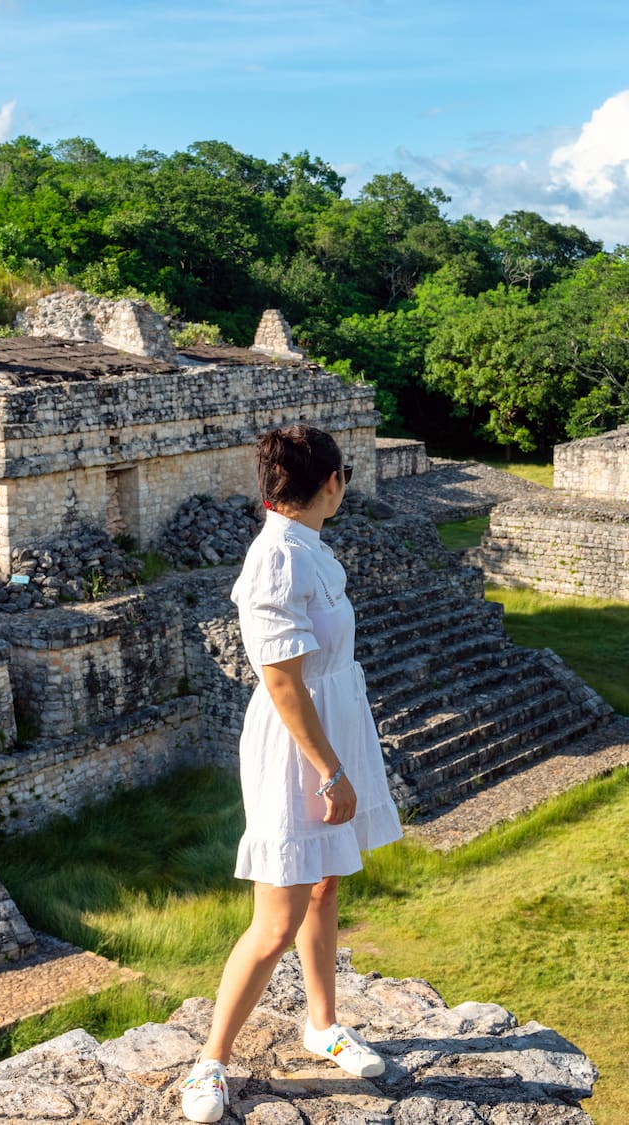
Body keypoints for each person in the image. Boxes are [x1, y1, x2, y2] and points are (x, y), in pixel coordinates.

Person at [181, 424, 403, 1123]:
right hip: (297, 744)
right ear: (331, 483)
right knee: (276, 916)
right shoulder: (277, 558)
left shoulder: (309, 548)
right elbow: (281, 683)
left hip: (331, 724)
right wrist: (331, 770)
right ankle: (210, 1059)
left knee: (325, 879)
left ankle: (322, 1021)